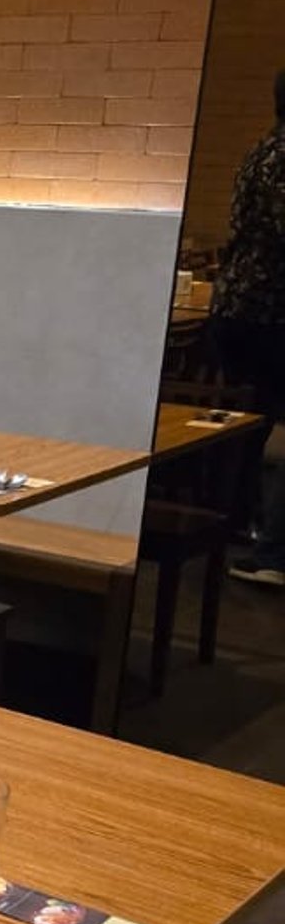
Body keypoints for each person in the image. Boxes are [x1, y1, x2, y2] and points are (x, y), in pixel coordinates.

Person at [215, 73, 285, 587]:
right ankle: (270, 550)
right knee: (274, 424)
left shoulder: (264, 148)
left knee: (258, 421)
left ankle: (241, 526)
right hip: (266, 312)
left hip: (243, 308)